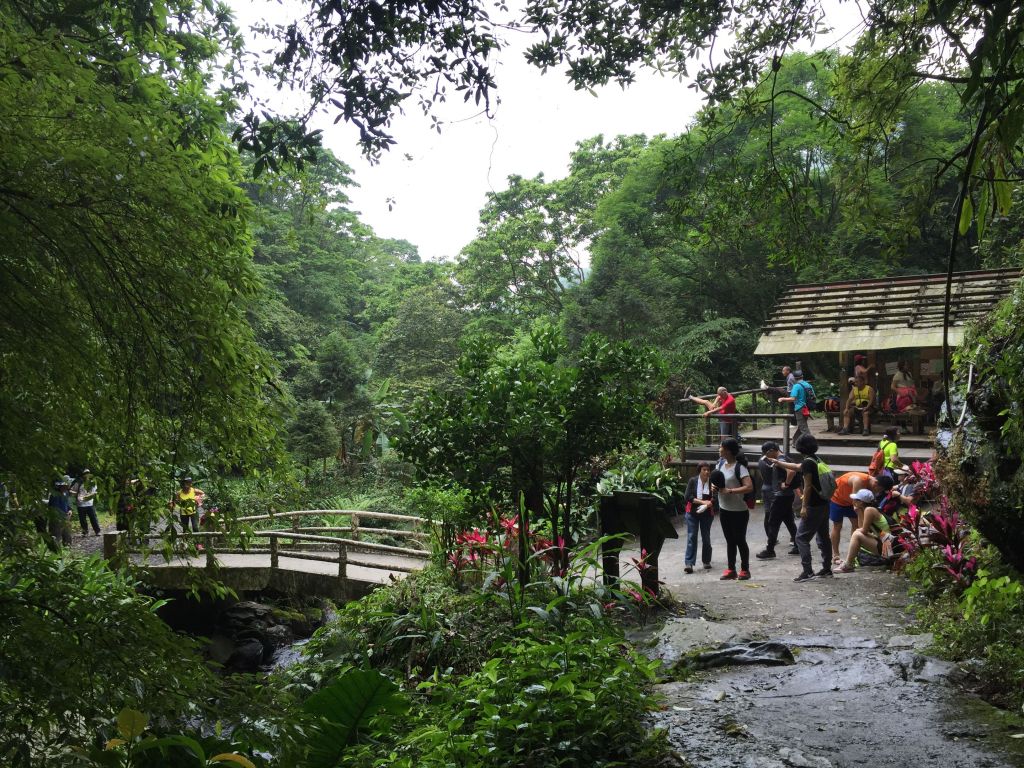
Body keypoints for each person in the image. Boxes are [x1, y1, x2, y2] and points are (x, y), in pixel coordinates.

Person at [773, 434, 834, 582]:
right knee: (823, 537)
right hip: (824, 503)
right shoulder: (815, 459)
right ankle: (826, 568)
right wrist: (778, 463)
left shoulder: (808, 463)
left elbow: (807, 487)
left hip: (813, 505)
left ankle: (807, 571)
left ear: (801, 447)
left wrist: (804, 507)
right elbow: (797, 467)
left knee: (801, 538)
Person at [827, 471, 892, 564]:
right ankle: (836, 555)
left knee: (856, 526)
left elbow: (860, 521)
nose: (877, 492)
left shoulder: (869, 496)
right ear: (876, 484)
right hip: (838, 498)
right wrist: (859, 510)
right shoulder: (859, 481)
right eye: (879, 490)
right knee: (837, 525)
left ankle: (853, 553)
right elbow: (856, 503)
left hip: (854, 502)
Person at [714, 438, 753, 580]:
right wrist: (714, 487)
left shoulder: (740, 467)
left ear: (728, 450)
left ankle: (745, 570)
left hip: (739, 511)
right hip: (724, 509)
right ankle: (731, 569)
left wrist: (730, 491)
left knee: (740, 540)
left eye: (721, 447)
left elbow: (749, 487)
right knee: (730, 540)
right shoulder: (719, 465)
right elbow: (716, 482)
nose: (719, 449)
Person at [835, 489, 897, 573]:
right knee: (857, 533)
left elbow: (863, 530)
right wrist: (858, 511)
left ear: (861, 502)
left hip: (889, 547)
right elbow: (862, 528)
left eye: (856, 499)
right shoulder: (869, 509)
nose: (853, 501)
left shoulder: (869, 510)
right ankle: (848, 563)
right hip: (888, 544)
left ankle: (848, 565)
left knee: (856, 534)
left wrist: (859, 529)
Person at [756, 441, 798, 559]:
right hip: (787, 495)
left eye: (766, 453)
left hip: (781, 496)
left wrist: (786, 484)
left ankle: (770, 550)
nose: (766, 456)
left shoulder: (780, 459)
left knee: (773, 522)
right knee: (789, 521)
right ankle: (798, 545)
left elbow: (791, 471)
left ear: (771, 450)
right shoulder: (785, 457)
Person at [682, 462, 715, 573]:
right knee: (692, 537)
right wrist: (702, 502)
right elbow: (687, 497)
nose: (706, 472)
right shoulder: (693, 481)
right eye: (704, 470)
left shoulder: (712, 482)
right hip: (692, 513)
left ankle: (706, 561)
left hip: (707, 514)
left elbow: (716, 497)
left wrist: (709, 503)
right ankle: (689, 563)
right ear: (699, 471)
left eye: (708, 470)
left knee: (706, 538)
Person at [778, 370, 814, 444]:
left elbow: (792, 398)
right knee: (802, 425)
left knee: (803, 428)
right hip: (807, 408)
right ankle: (795, 442)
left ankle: (811, 443)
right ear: (802, 376)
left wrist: (782, 399)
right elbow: (813, 396)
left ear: (794, 378)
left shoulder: (796, 386)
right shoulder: (808, 385)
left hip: (800, 408)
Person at [46, 476, 74, 548]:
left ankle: (67, 548)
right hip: (57, 518)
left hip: (65, 517)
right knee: (56, 535)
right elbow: (54, 508)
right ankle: (56, 551)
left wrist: (70, 510)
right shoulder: (55, 494)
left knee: (67, 534)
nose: (68, 486)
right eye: (67, 484)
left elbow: (67, 504)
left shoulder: (66, 493)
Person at [72, 468, 100, 536]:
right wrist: (78, 496)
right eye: (85, 474)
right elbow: (73, 491)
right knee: (82, 520)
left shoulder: (92, 483)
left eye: (88, 473)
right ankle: (85, 532)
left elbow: (94, 492)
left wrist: (89, 496)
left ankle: (97, 531)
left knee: (93, 518)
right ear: (83, 475)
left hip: (90, 503)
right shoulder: (78, 483)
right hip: (80, 504)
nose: (87, 475)